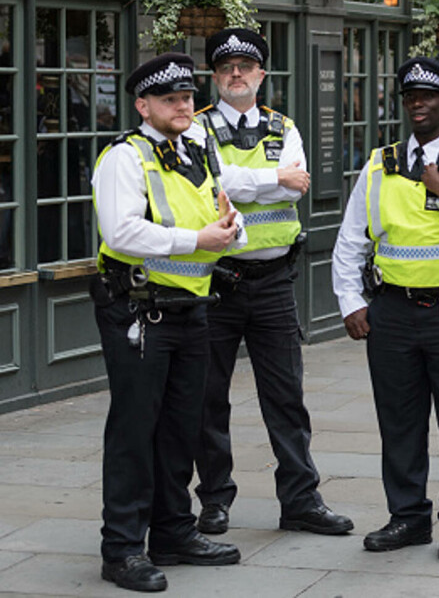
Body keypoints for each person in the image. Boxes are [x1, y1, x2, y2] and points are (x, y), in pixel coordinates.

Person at [331, 57, 439, 561]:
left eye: (428, 97)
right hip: (391, 312)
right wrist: (350, 301)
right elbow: (349, 240)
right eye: (410, 97)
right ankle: (407, 518)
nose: (418, 104)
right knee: (399, 422)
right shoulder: (379, 164)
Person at [189, 28, 353, 538]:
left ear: (261, 74)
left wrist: (264, 183)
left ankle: (301, 500)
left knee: (286, 396)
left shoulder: (286, 128)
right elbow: (211, 183)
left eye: (245, 65)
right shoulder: (196, 129)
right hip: (216, 283)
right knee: (207, 398)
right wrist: (271, 180)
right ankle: (214, 501)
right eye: (226, 67)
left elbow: (297, 188)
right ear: (214, 77)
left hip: (275, 280)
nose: (235, 74)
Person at [91, 53, 242, 592]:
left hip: (190, 307)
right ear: (142, 105)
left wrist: (230, 229)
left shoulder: (194, 150)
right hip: (138, 309)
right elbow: (121, 233)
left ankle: (174, 532)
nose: (182, 106)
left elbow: (220, 215)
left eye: (186, 98)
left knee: (182, 428)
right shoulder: (124, 159)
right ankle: (124, 548)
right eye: (169, 99)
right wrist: (197, 241)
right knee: (135, 429)